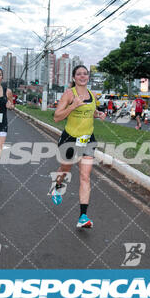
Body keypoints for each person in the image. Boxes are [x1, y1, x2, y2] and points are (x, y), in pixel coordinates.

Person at [51, 65, 106, 228]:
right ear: (74, 77)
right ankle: (58, 186)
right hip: (70, 139)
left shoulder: (92, 95)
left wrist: (99, 114)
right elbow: (56, 117)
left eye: (85, 74)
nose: (82, 76)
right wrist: (73, 105)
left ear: (88, 77)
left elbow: (91, 112)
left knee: (85, 176)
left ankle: (83, 217)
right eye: (79, 74)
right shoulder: (69, 94)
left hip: (88, 139)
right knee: (65, 170)